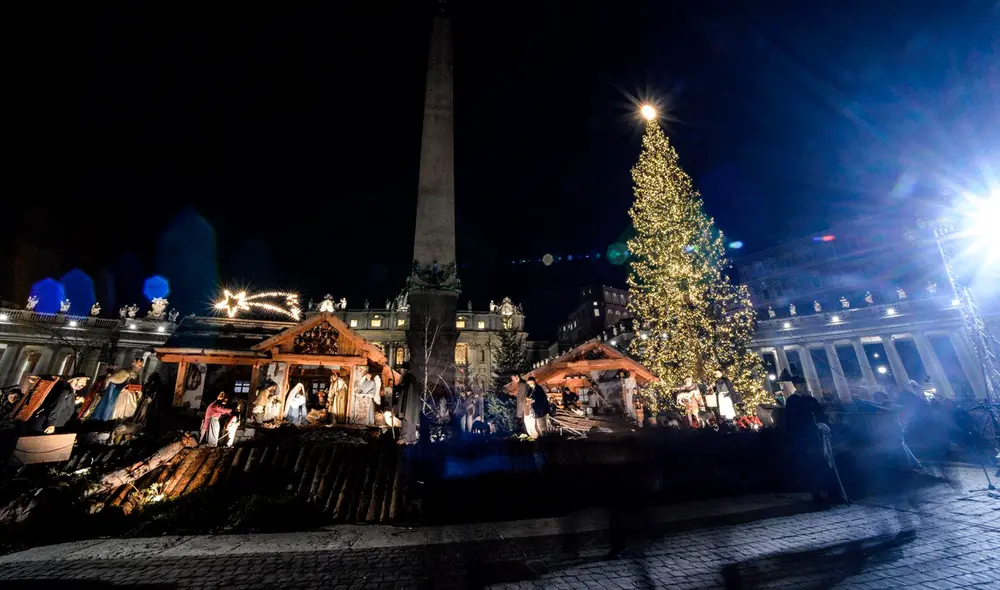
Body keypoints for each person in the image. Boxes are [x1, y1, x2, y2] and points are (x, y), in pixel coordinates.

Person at [784, 390, 844, 506]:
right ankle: (817, 497)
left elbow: (820, 414)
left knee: (826, 466)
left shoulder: (811, 400)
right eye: (801, 385)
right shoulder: (792, 401)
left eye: (804, 385)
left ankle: (833, 494)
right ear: (796, 386)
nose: (803, 387)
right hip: (806, 440)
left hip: (819, 438)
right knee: (812, 469)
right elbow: (793, 421)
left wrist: (824, 424)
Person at [395, 363, 420, 444]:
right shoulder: (410, 378)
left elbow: (404, 390)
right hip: (409, 404)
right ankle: (408, 437)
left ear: (405, 370)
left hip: (408, 404)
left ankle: (406, 437)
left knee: (408, 420)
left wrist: (398, 390)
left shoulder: (407, 378)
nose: (400, 372)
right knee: (408, 420)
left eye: (401, 370)